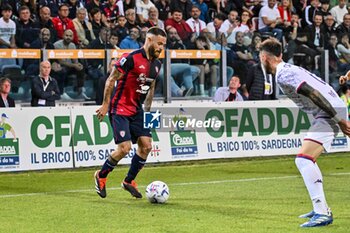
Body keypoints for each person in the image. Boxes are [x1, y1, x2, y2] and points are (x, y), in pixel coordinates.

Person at [259, 38, 350, 227]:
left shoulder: (284, 74)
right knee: (305, 159)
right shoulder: (289, 70)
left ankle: (322, 211)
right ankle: (320, 208)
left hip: (329, 113)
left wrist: (338, 119)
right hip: (330, 111)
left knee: (304, 159)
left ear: (264, 57)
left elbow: (313, 93)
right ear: (280, 55)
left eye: (260, 57)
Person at [94, 27, 167, 199]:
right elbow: (111, 79)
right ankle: (101, 175)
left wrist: (147, 113)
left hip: (137, 110)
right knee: (125, 148)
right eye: (159, 44)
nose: (161, 48)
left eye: (163, 45)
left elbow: (151, 87)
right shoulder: (131, 58)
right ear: (149, 40)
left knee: (147, 146)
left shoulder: (157, 64)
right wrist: (105, 105)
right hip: (119, 108)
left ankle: (129, 181)